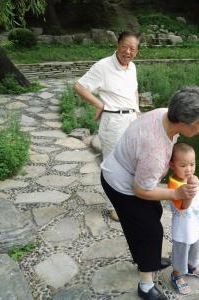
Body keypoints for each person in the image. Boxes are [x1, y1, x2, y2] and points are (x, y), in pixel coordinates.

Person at [100, 86, 199, 300]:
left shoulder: (164, 114)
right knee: (150, 231)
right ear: (183, 121)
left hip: (129, 172)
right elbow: (141, 190)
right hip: (121, 184)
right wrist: (177, 194)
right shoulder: (155, 150)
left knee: (152, 214)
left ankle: (147, 259)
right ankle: (145, 286)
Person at [74, 31, 141, 222]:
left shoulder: (132, 67)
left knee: (132, 163)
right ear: (118, 44)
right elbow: (79, 86)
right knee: (112, 166)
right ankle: (114, 206)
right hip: (113, 122)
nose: (128, 51)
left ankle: (129, 198)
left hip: (132, 121)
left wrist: (137, 112)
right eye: (125, 46)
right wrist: (101, 105)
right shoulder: (103, 66)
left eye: (133, 49)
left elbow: (134, 90)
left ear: (137, 51)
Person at [168, 142, 199, 295]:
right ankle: (177, 275)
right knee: (181, 254)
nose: (189, 169)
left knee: (195, 249)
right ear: (172, 165)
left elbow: (197, 199)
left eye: (192, 164)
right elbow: (184, 205)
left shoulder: (191, 180)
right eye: (183, 165)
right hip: (182, 232)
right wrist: (190, 187)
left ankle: (192, 267)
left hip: (195, 227)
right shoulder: (174, 185)